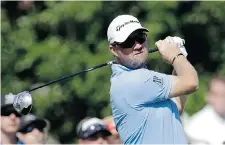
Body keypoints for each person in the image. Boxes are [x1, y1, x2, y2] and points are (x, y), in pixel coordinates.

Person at [107, 14, 199, 144]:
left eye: (140, 37)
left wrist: (181, 57)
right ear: (114, 50)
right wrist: (175, 56)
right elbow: (191, 82)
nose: (138, 45)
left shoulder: (131, 80)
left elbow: (177, 106)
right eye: (128, 42)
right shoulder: (134, 80)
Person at [184, 76, 225, 144]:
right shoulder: (196, 126)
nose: (221, 99)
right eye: (217, 94)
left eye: (224, 95)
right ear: (208, 96)